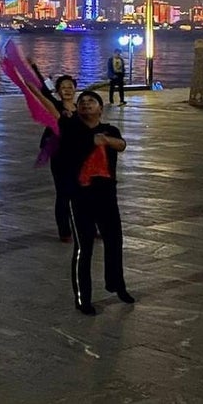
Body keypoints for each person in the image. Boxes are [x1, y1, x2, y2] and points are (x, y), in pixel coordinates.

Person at [32, 87, 133, 316]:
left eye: (92, 101)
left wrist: (103, 140)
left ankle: (117, 284)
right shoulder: (70, 128)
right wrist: (31, 83)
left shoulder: (109, 129)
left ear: (101, 108)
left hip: (106, 195)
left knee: (114, 242)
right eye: (83, 102)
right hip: (79, 196)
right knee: (83, 248)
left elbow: (122, 145)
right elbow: (48, 105)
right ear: (77, 108)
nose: (86, 104)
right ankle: (83, 298)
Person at [30, 60, 79, 242]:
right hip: (60, 156)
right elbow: (42, 91)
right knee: (63, 193)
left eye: (70, 86)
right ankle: (64, 231)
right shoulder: (56, 107)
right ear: (58, 91)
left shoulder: (81, 108)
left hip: (78, 156)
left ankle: (86, 226)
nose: (67, 89)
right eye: (63, 87)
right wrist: (34, 70)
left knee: (82, 193)